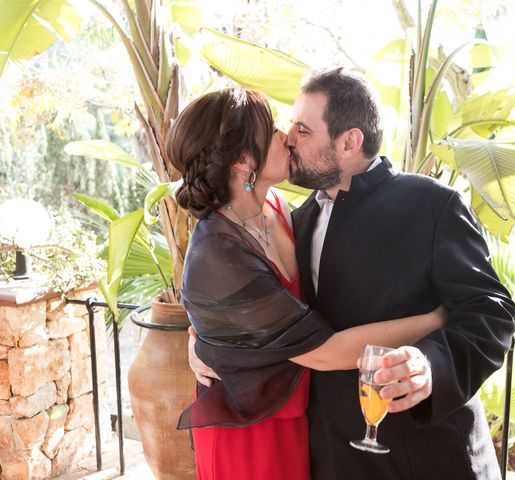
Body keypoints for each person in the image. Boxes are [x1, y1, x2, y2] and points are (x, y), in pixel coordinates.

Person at [191, 69, 515, 479]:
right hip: (332, 460)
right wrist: (202, 340)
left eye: (303, 130)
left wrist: (430, 364)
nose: (289, 137)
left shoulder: (433, 205)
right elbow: (250, 302)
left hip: (427, 458)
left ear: (349, 142)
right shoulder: (298, 220)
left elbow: (491, 313)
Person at [167, 88, 447, 480]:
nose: (287, 136)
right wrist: (436, 319)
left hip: (296, 421)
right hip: (245, 429)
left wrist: (201, 336)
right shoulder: (218, 250)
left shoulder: (278, 209)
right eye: (274, 130)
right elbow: (324, 351)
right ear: (244, 160)